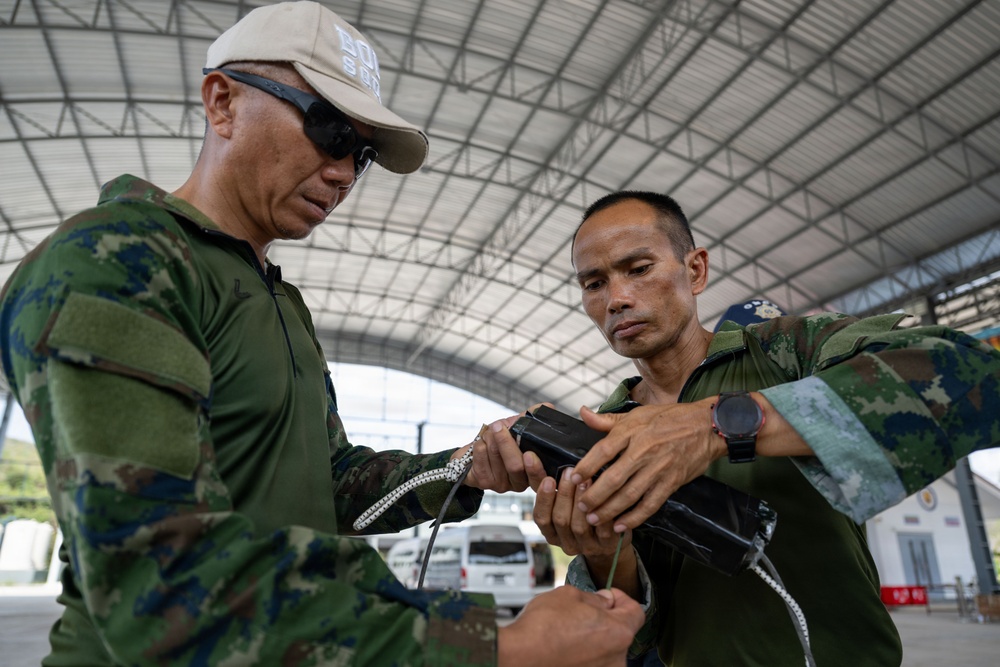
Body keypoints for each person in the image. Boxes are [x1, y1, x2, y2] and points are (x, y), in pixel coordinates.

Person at [0, 4, 642, 665]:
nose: (343, 173)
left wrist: (462, 465)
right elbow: (158, 574)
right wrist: (500, 642)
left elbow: (333, 487)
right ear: (222, 103)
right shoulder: (115, 258)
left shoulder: (281, 303)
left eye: (360, 155)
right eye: (329, 130)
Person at [507, 190, 1000, 665]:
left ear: (695, 269)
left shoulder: (789, 353)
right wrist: (604, 554)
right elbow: (633, 640)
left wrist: (717, 424)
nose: (616, 298)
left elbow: (976, 376)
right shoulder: (601, 433)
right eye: (594, 284)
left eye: (639, 269)